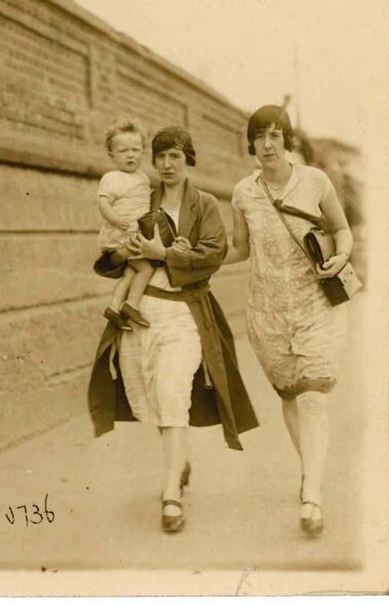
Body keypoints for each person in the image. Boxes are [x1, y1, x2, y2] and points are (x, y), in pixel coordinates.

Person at [89, 126, 258, 533]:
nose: (166, 165)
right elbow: (109, 254)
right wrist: (124, 250)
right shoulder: (139, 195)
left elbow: (214, 253)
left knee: (172, 389)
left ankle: (170, 494)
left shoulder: (205, 204)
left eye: (175, 157)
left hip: (184, 315)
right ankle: (178, 461)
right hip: (141, 313)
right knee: (153, 394)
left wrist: (163, 253)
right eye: (161, 157)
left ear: (188, 160)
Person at [226, 105, 352, 535]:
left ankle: (312, 496)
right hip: (267, 311)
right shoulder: (242, 192)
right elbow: (239, 249)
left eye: (275, 136)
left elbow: (342, 228)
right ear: (251, 144)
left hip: (316, 303)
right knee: (291, 396)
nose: (267, 144)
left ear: (287, 141)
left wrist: (340, 257)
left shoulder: (314, 181)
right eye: (259, 136)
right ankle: (310, 473)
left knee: (314, 396)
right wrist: (187, 255)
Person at [97, 118, 155, 330]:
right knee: (145, 269)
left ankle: (114, 306)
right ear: (112, 154)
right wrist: (114, 218)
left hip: (134, 233)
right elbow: (103, 201)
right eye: (123, 151)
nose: (130, 155)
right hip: (121, 233)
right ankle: (131, 304)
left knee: (131, 272)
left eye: (135, 150)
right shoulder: (112, 178)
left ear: (142, 152)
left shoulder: (142, 178)